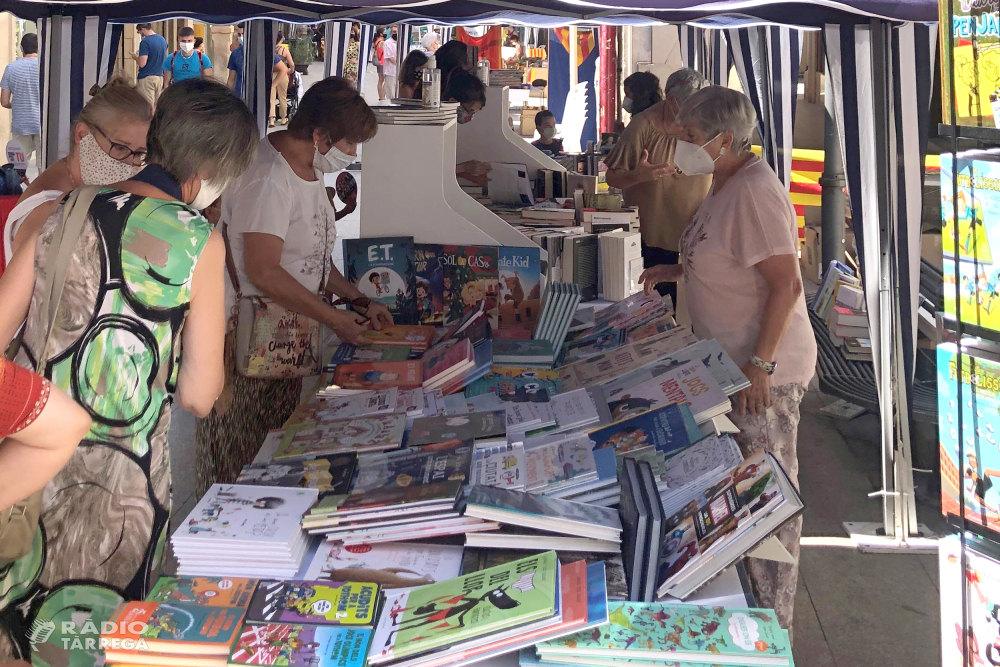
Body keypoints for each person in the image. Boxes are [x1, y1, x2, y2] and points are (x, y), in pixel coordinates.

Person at [0, 78, 258, 665]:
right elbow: (198, 394)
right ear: (218, 166)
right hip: (125, 493)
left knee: (19, 627)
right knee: (97, 639)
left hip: (28, 464)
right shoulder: (198, 239)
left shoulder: (65, 207)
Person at [639, 86, 817, 632]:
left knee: (764, 502)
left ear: (726, 139)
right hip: (728, 364)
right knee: (738, 493)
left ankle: (770, 631)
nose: (684, 148)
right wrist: (677, 273)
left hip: (761, 371)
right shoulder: (724, 183)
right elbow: (722, 255)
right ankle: (746, 617)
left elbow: (785, 284)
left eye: (692, 139)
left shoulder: (754, 193)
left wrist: (760, 365)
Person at [196, 77, 392, 495]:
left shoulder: (303, 169)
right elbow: (264, 271)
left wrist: (356, 298)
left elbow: (313, 259)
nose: (352, 155)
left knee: (276, 442)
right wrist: (334, 318)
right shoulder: (269, 177)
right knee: (245, 455)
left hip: (289, 335)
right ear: (320, 135)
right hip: (255, 337)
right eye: (349, 144)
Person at [3, 80, 152, 265]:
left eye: (139, 153)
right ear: (82, 135)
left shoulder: (85, 189)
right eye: (120, 148)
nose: (132, 163)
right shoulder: (47, 207)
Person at [605, 68, 711, 308]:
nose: (695, 114)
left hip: (696, 236)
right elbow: (613, 177)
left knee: (700, 312)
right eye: (689, 106)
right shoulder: (643, 125)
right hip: (652, 240)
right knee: (659, 309)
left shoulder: (707, 123)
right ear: (672, 100)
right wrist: (638, 176)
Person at [446, 70, 491, 186]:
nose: (470, 116)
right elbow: (428, 171)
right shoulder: (433, 127)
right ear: (453, 102)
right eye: (469, 111)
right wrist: (463, 168)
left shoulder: (449, 126)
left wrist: (468, 173)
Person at [0, 33, 39, 164]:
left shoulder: (11, 68)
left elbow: (4, 102)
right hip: (42, 124)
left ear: (21, 49)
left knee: (18, 168)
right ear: (39, 48)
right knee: (43, 167)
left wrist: (18, 104)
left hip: (20, 125)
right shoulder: (46, 67)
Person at [131, 24, 168, 107]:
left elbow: (142, 63)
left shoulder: (145, 42)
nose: (140, 34)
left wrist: (136, 57)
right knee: (157, 105)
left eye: (139, 31)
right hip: (159, 76)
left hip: (147, 77)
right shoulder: (162, 40)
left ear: (143, 29)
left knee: (147, 106)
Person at [270, 53, 291, 127]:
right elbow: (291, 64)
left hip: (271, 74)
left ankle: (271, 120)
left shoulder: (271, 51)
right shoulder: (284, 50)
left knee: (271, 98)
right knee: (282, 97)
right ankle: (283, 118)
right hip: (282, 75)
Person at [227, 26, 246, 99]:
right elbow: (231, 79)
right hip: (239, 95)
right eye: (239, 34)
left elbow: (282, 68)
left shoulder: (260, 52)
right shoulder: (235, 53)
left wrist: (273, 85)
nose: (241, 37)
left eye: (243, 34)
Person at [383, 28, 399, 98]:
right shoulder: (387, 43)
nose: (395, 33)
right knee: (391, 94)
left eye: (396, 32)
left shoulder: (401, 42)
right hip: (391, 72)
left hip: (399, 73)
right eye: (394, 32)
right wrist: (400, 65)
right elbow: (391, 58)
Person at [373, 27, 386, 100]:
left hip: (379, 61)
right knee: (384, 80)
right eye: (384, 32)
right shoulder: (382, 42)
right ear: (381, 34)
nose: (385, 34)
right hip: (382, 62)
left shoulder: (377, 41)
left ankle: (381, 96)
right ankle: (382, 96)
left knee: (380, 80)